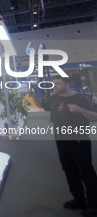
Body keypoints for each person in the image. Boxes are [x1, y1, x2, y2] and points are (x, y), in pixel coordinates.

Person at [42, 75, 97, 217]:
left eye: (58, 83)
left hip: (78, 140)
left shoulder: (79, 99)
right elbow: (42, 106)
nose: (55, 86)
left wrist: (79, 110)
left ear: (67, 83)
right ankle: (79, 200)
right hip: (61, 140)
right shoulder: (54, 98)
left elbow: (94, 117)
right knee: (69, 171)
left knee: (86, 173)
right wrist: (32, 97)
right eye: (54, 83)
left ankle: (94, 205)